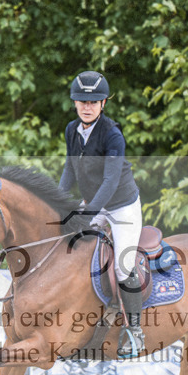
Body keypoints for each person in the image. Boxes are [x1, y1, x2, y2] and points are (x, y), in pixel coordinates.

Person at [59, 70, 145, 358]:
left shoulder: (112, 135)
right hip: (94, 201)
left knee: (123, 266)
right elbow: (69, 170)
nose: (87, 106)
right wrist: (59, 206)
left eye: (93, 102)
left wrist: (87, 213)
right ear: (75, 103)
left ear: (103, 104)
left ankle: (135, 330)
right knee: (67, 244)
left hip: (122, 206)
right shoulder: (72, 130)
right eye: (82, 101)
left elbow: (110, 182)